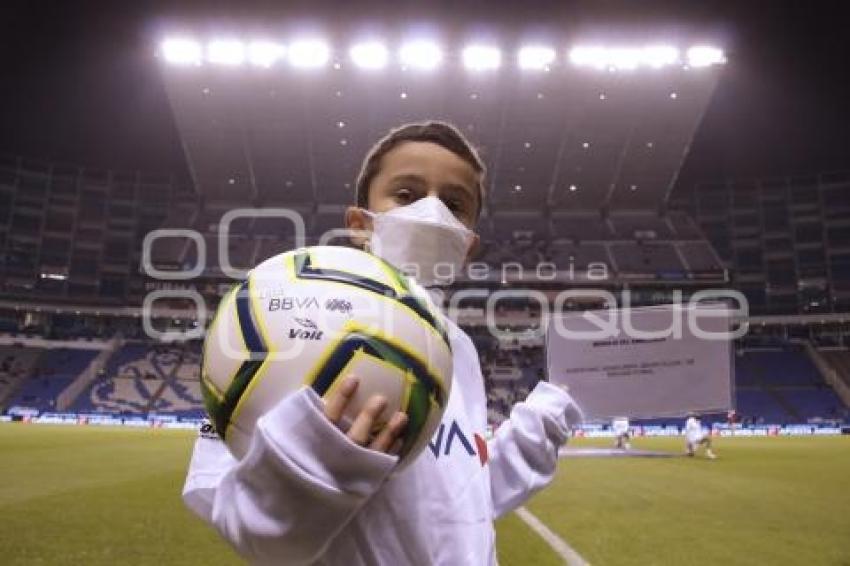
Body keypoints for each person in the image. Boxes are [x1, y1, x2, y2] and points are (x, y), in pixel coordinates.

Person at [182, 121, 583, 565]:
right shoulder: (289, 313)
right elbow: (242, 518)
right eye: (407, 195)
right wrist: (306, 469)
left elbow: (459, 497)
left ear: (468, 245)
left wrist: (536, 431)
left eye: (454, 203)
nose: (433, 211)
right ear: (360, 224)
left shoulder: (459, 348)